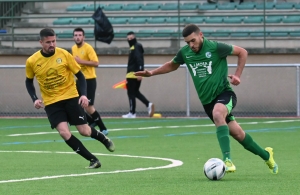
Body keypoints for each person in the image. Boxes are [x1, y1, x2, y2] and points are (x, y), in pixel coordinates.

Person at [135, 24, 278, 174]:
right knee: (238, 134)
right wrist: (151, 73)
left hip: (224, 93)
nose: (191, 45)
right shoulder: (185, 53)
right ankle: (267, 156)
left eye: (193, 41)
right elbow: (172, 65)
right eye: (187, 42)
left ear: (200, 35)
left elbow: (242, 52)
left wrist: (237, 75)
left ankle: (227, 160)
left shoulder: (216, 47)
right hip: (208, 102)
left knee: (218, 113)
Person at [25, 28, 115, 169]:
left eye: (54, 41)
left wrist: (83, 95)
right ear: (41, 42)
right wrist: (34, 98)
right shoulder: (32, 61)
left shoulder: (64, 54)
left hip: (70, 97)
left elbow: (80, 75)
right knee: (64, 132)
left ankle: (103, 138)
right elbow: (28, 81)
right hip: (51, 102)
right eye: (48, 42)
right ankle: (93, 160)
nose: (52, 45)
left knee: (84, 131)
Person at [72, 27, 109, 136]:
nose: (77, 37)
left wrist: (81, 61)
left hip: (89, 80)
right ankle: (92, 121)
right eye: (75, 35)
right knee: (76, 104)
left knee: (88, 106)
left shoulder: (88, 48)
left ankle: (103, 128)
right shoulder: (73, 48)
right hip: (79, 80)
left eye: (79, 35)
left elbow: (96, 63)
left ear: (83, 37)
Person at [122, 31, 154, 118]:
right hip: (133, 74)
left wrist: (140, 72)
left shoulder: (136, 47)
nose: (129, 40)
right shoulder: (133, 47)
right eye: (128, 39)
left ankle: (132, 112)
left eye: (131, 38)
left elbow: (139, 60)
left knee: (131, 93)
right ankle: (148, 104)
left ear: (135, 38)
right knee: (135, 92)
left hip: (133, 74)